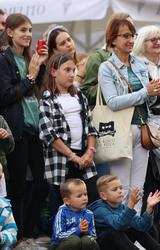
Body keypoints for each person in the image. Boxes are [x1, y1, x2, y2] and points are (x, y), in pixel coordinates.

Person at [99, 19, 160, 214]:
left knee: (138, 188)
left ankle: (135, 236)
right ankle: (122, 233)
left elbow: (147, 101)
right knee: (121, 188)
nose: (130, 40)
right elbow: (113, 102)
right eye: (125, 36)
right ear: (112, 39)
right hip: (122, 130)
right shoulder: (107, 67)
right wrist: (146, 91)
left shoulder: (140, 64)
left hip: (143, 130)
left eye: (132, 36)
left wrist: (155, 93)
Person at [0, 13, 49, 239]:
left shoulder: (30, 58)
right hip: (16, 130)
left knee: (41, 183)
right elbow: (6, 96)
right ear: (9, 32)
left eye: (30, 30)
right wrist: (30, 77)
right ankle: (18, 236)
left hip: (34, 128)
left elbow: (35, 89)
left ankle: (27, 232)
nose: (28, 34)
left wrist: (41, 67)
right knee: (17, 186)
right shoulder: (4, 59)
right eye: (23, 30)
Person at [39, 53, 99, 217]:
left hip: (84, 157)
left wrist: (90, 151)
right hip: (61, 159)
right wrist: (73, 156)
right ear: (53, 72)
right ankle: (62, 241)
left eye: (73, 70)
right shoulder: (47, 100)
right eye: (67, 70)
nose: (72, 74)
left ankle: (90, 238)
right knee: (60, 206)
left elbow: (90, 127)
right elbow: (48, 134)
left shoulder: (79, 96)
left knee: (91, 200)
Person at [88, 175, 160, 250]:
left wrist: (149, 208)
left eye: (121, 188)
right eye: (114, 189)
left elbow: (142, 226)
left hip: (119, 243)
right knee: (113, 231)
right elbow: (118, 225)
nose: (120, 191)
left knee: (134, 228)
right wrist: (131, 204)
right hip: (102, 245)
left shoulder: (121, 207)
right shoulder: (99, 209)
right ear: (103, 196)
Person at [81, 12, 132, 107]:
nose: (131, 33)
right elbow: (86, 93)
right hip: (112, 115)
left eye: (132, 30)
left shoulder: (134, 57)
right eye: (126, 33)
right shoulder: (97, 58)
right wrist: (110, 84)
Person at [51, 179, 99, 250]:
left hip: (81, 244)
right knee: (74, 241)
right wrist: (78, 230)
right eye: (79, 196)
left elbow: (94, 235)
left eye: (85, 194)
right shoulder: (62, 213)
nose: (84, 198)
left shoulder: (89, 213)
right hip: (62, 245)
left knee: (88, 241)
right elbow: (58, 236)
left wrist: (86, 231)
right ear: (67, 201)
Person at [0, 116, 15, 198]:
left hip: (1, 170)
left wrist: (6, 137)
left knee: (3, 205)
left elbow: (10, 148)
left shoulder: (0, 119)